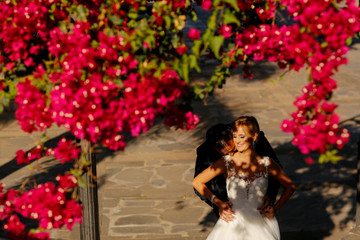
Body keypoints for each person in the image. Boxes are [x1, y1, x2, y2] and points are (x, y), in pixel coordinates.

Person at [192, 116, 295, 240]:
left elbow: (283, 181)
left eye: (231, 149)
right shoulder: (211, 154)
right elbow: (198, 183)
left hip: (260, 217)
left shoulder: (261, 150)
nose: (231, 153)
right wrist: (218, 203)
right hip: (231, 212)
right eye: (236, 137)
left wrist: (272, 203)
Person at [193, 122, 282, 219]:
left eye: (233, 149)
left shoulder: (256, 140)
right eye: (225, 154)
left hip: (260, 206)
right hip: (228, 210)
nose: (231, 155)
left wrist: (270, 195)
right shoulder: (204, 151)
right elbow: (199, 186)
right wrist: (218, 204)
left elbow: (277, 172)